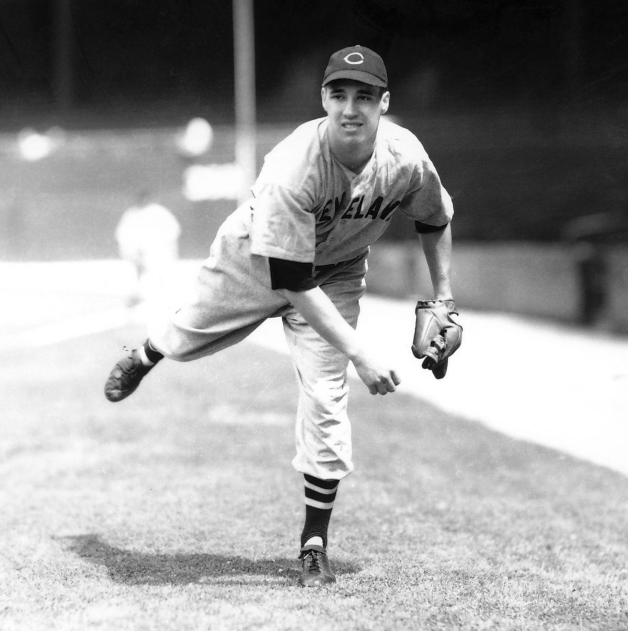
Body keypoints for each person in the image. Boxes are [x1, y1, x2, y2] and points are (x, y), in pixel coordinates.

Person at [104, 45, 460, 587]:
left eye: (364, 96)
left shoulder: (405, 156)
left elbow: (435, 217)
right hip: (254, 257)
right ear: (323, 99)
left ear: (384, 103)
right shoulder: (293, 166)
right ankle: (146, 352)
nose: (349, 108)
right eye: (338, 94)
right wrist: (360, 351)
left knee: (325, 398)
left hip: (337, 271)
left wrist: (445, 298)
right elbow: (291, 281)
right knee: (186, 335)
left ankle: (313, 542)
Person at [115, 190, 182, 307]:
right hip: (138, 253)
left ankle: (170, 302)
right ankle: (135, 298)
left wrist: (162, 246)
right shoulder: (131, 214)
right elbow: (122, 234)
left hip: (158, 251)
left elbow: (173, 229)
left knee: (163, 276)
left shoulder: (159, 212)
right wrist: (131, 251)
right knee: (137, 277)